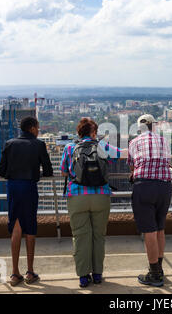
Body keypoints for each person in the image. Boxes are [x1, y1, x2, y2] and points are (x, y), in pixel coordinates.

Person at [60, 118, 123, 288]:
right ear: (94, 132)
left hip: (77, 197)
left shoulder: (70, 147)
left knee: (81, 237)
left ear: (79, 132)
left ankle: (83, 276)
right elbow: (120, 154)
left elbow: (63, 171)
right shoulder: (102, 147)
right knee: (98, 236)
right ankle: (97, 274)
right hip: (101, 196)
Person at [0, 116, 53, 286]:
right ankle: (30, 272)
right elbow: (49, 170)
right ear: (32, 128)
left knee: (16, 226)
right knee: (30, 228)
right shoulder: (38, 144)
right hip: (29, 187)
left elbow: (1, 171)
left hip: (13, 187)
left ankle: (15, 273)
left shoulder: (10, 143)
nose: (38, 131)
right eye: (37, 128)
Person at [127, 114, 172, 287]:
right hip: (164, 187)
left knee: (149, 232)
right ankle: (159, 269)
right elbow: (169, 164)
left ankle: (154, 274)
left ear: (139, 128)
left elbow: (132, 167)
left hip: (144, 187)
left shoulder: (134, 143)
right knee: (160, 228)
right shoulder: (164, 141)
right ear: (153, 126)